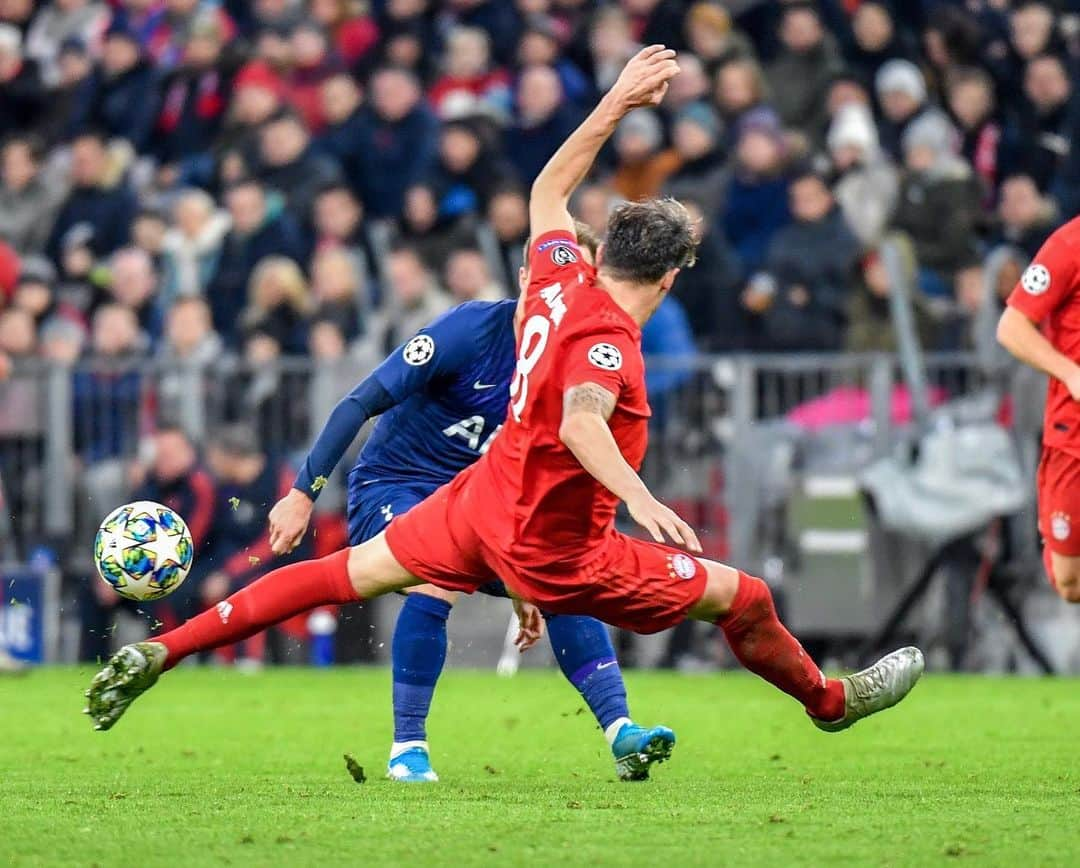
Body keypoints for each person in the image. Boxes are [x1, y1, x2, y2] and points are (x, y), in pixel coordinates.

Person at [85, 48, 923, 777]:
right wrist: (641, 499)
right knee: (745, 598)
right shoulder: (609, 340)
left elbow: (550, 186)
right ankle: (829, 701)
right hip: (557, 545)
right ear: (670, 281)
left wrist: (617, 101)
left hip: (482, 500)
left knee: (337, 577)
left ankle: (164, 648)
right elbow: (584, 421)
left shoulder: (556, 280)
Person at [287, 221, 669, 784]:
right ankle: (407, 751)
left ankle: (622, 734)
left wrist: (525, 572)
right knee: (431, 574)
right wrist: (302, 492)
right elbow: (359, 401)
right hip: (397, 485)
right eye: (553, 276)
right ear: (524, 279)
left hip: (484, 504)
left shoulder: (578, 361)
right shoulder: (467, 331)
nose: (566, 290)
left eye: (581, 280)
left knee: (564, 576)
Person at [996, 216, 1080, 604]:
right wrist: (1070, 373)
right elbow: (1011, 328)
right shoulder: (1068, 244)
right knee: (1069, 583)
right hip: (1073, 432)